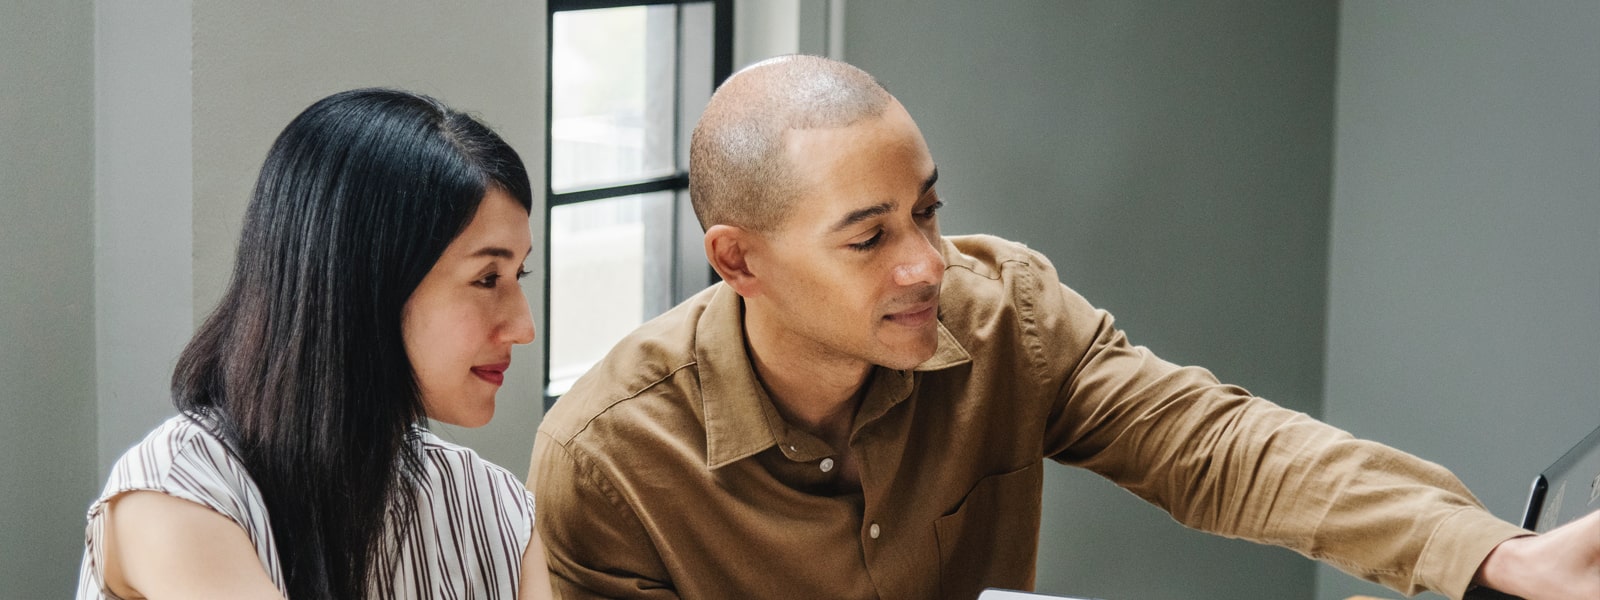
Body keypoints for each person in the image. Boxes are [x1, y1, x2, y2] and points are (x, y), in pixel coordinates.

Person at [528, 55, 1599, 600]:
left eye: (929, 211)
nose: (925, 263)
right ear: (739, 261)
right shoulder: (610, 459)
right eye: (868, 239)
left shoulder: (1003, 317)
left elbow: (1218, 445)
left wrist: (1494, 557)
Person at [77, 88, 553, 600]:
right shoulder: (176, 495)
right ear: (364, 283)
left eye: (518, 273)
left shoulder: (497, 511)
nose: (523, 327)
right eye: (487, 279)